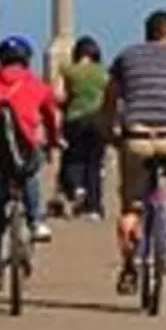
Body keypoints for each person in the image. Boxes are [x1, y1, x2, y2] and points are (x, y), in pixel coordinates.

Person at [102, 9, 166, 294]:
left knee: (130, 207)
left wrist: (111, 132)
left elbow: (110, 100)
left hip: (137, 138)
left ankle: (129, 268)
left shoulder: (126, 57)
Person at [0, 36, 64, 292]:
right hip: (26, 149)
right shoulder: (37, 86)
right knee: (30, 171)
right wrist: (55, 140)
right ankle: (35, 220)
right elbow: (51, 117)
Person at [56, 35, 110, 218]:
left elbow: (58, 95)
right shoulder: (103, 72)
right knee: (95, 164)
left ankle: (77, 187)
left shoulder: (68, 70)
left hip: (75, 119)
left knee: (74, 158)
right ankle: (94, 207)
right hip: (99, 120)